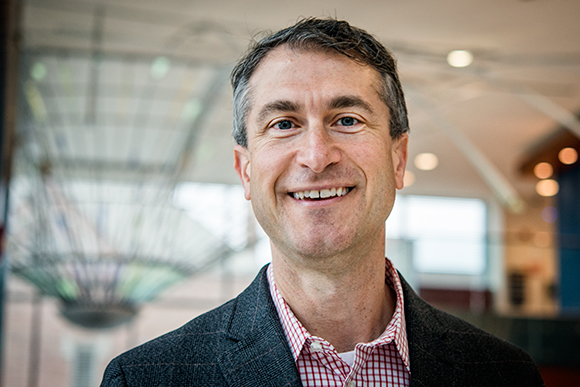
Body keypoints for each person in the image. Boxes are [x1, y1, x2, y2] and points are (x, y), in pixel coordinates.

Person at [101, 18, 544, 386]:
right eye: (283, 124)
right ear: (245, 171)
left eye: (347, 120)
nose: (316, 156)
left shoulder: (505, 375)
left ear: (398, 158)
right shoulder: (145, 379)